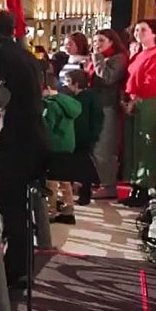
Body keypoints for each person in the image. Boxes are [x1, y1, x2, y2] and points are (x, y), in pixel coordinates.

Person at [0, 9, 48, 290]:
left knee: (11, 208)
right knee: (18, 207)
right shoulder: (28, 55)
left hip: (15, 141)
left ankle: (14, 271)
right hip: (35, 139)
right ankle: (21, 266)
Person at [121, 19, 156, 208]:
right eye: (137, 30)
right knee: (135, 145)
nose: (138, 33)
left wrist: (137, 99)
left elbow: (155, 81)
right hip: (137, 100)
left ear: (154, 33)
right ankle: (137, 185)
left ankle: (147, 186)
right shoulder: (141, 53)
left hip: (149, 102)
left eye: (143, 30)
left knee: (147, 145)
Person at [87, 29, 128, 199]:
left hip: (108, 106)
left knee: (105, 147)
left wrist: (97, 59)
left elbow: (107, 77)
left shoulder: (118, 58)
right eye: (95, 41)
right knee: (95, 147)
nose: (97, 44)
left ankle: (108, 185)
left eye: (101, 41)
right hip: (96, 106)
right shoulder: (102, 59)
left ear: (112, 41)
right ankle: (98, 180)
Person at [42, 72, 82, 223]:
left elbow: (46, 127)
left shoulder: (51, 105)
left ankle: (50, 211)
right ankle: (68, 209)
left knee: (51, 182)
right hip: (68, 146)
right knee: (65, 180)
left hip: (54, 147)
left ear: (46, 88)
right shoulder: (68, 102)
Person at [64, 69, 103, 208]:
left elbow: (88, 119)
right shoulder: (89, 97)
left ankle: (85, 194)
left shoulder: (84, 99)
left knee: (83, 166)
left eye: (68, 81)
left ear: (76, 83)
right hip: (84, 136)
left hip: (82, 137)